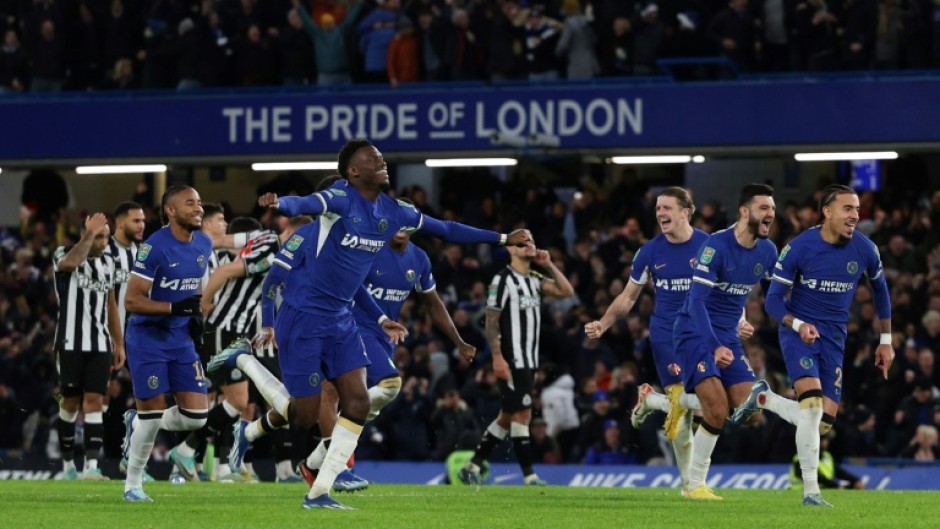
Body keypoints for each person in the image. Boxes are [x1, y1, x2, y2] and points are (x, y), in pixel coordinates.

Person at [208, 139, 530, 509]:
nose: (382, 161)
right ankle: (244, 361)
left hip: (342, 319)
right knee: (302, 417)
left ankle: (319, 492)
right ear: (353, 172)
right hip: (303, 319)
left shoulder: (395, 212)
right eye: (372, 159)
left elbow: (448, 229)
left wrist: (504, 238)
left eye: (381, 157)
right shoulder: (340, 199)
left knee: (359, 401)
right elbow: (307, 205)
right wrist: (283, 203)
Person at [237, 224, 480, 490]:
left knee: (309, 409)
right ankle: (334, 464)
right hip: (340, 328)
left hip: (373, 333)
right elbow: (334, 286)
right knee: (384, 387)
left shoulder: (415, 257)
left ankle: (267, 438)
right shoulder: (354, 245)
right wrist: (269, 322)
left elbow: (425, 300)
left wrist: (454, 338)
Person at [732, 184, 894, 507]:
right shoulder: (799, 248)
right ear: (827, 212)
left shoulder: (865, 249)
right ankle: (811, 494)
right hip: (798, 335)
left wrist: (886, 341)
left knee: (822, 422)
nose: (855, 215)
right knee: (811, 405)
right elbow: (773, 301)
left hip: (834, 339)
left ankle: (764, 397)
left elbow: (881, 291)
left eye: (857, 209)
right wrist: (797, 324)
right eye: (847, 209)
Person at [584, 187, 708, 493]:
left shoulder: (709, 246)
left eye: (666, 207)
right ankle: (691, 486)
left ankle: (651, 400)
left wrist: (741, 321)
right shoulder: (650, 252)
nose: (660, 213)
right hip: (667, 335)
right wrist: (604, 323)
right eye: (657, 208)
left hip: (702, 333)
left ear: (685, 211)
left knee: (710, 404)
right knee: (682, 414)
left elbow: (727, 291)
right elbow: (628, 297)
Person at [670, 183, 778, 500]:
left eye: (772, 208)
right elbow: (697, 303)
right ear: (744, 212)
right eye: (763, 208)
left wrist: (799, 319)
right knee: (717, 410)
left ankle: (679, 402)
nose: (770, 213)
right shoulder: (716, 246)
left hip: (728, 335)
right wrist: (715, 344)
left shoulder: (768, 251)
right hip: (694, 331)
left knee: (750, 410)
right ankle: (694, 486)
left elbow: (778, 293)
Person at [458, 232, 575, 486]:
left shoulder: (534, 278)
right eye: (522, 243)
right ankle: (530, 476)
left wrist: (548, 264)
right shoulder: (501, 280)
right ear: (511, 250)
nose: (529, 245)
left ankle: (471, 467)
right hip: (511, 358)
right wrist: (497, 358)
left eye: (531, 241)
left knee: (508, 415)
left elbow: (567, 291)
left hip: (530, 359)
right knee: (522, 413)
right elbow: (490, 321)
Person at [121, 186, 213, 502]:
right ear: (170, 211)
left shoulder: (204, 244)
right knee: (151, 417)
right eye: (190, 203)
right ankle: (133, 485)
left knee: (197, 416)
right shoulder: (154, 248)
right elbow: (132, 300)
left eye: (200, 203)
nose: (198, 208)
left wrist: (196, 313)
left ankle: (138, 420)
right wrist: (174, 308)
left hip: (181, 339)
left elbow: (193, 290)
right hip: (147, 339)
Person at [53, 213, 125, 480]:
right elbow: (70, 263)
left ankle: (92, 468)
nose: (104, 242)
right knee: (70, 403)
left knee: (94, 400)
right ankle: (68, 466)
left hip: (99, 344)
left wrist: (119, 343)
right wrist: (89, 234)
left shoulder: (109, 262)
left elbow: (111, 304)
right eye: (99, 236)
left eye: (106, 236)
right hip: (70, 342)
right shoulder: (63, 253)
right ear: (86, 235)